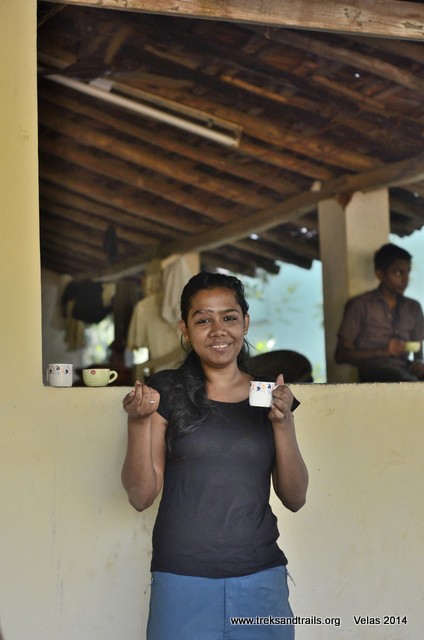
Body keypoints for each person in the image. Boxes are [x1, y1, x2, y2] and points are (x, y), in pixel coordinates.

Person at [121, 271, 308, 640]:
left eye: (229, 317)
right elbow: (141, 496)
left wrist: (283, 423)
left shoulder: (267, 396)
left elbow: (295, 497)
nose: (218, 330)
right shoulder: (167, 390)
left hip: (261, 577)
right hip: (182, 580)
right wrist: (138, 424)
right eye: (203, 319)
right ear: (185, 329)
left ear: (246, 323)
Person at [335, 243, 424, 382]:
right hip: (373, 371)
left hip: (406, 369)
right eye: (398, 273)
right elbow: (340, 355)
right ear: (380, 274)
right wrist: (383, 351)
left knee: (409, 380)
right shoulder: (360, 305)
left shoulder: (414, 307)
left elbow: (418, 353)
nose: (405, 280)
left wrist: (420, 364)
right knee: (405, 381)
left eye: (408, 272)